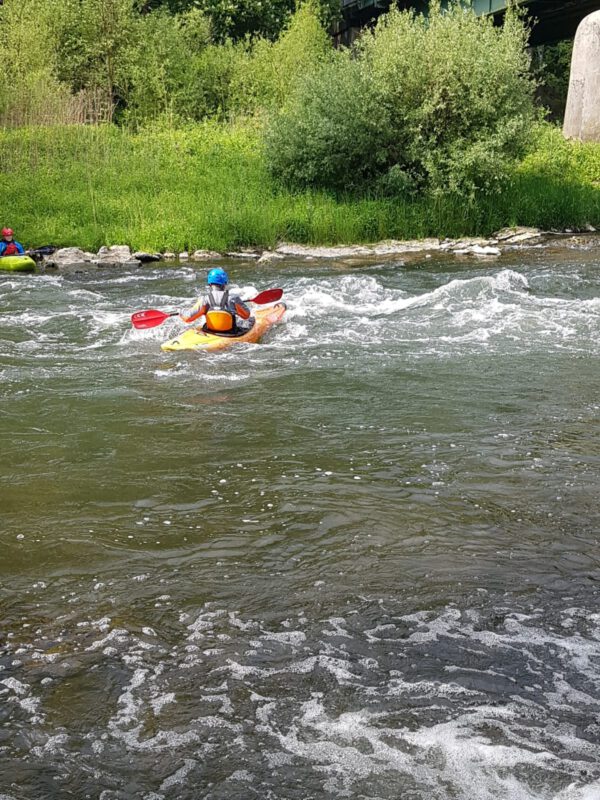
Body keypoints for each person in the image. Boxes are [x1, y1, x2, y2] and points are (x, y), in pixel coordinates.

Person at [180, 268, 252, 334]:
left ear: (210, 283)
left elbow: (187, 318)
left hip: (210, 332)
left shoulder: (204, 300)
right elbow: (246, 315)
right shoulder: (233, 298)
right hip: (230, 334)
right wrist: (235, 309)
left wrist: (181, 312)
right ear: (225, 283)